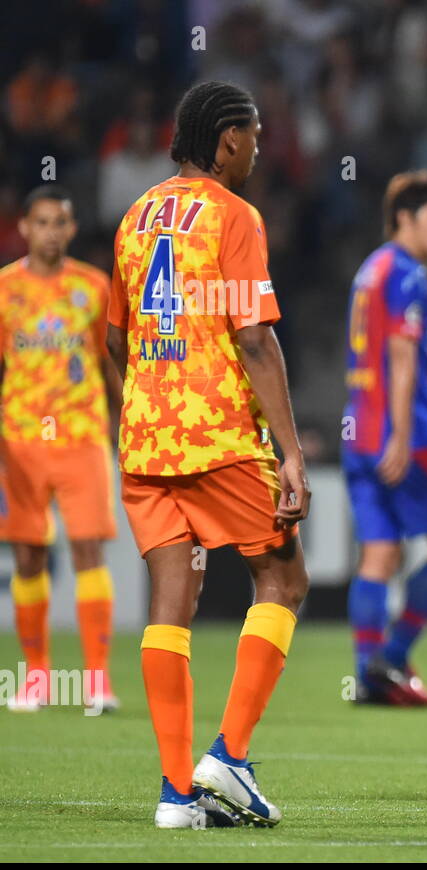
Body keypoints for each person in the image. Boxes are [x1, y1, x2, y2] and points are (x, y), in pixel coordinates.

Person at [106, 81, 311, 829]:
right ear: (228, 140)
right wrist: (289, 452)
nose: (258, 149)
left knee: (170, 601)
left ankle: (174, 796)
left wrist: (149, 395)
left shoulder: (135, 215)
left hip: (146, 438)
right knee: (283, 577)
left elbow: (115, 336)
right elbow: (255, 336)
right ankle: (228, 753)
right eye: (254, 135)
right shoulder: (234, 214)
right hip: (218, 432)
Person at [342, 171, 427, 707]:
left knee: (379, 555)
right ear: (404, 219)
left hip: (358, 432)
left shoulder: (370, 271)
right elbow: (400, 357)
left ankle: (367, 676)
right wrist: (400, 436)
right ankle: (390, 659)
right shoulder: (409, 276)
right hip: (403, 437)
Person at [0, 185, 121, 714]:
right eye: (42, 222)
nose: (51, 231)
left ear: (72, 229)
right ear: (24, 227)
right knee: (28, 558)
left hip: (81, 435)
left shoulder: (93, 287)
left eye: (61, 222)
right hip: (20, 440)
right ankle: (37, 678)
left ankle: (96, 680)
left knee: (88, 549)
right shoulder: (4, 289)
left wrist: (128, 419)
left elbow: (110, 360)